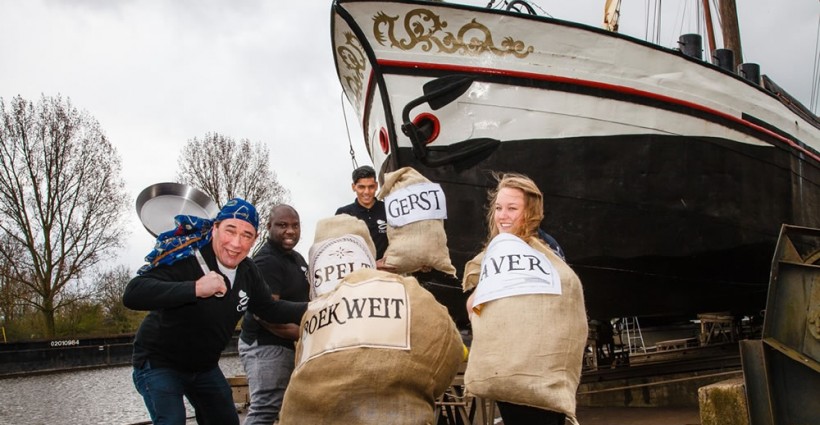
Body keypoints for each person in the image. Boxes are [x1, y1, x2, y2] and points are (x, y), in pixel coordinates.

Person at [123, 198, 307, 425]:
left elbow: (270, 309)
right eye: (230, 231)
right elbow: (133, 293)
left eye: (246, 235)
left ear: (254, 239)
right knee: (172, 419)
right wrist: (195, 288)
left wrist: (318, 307)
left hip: (204, 367)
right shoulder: (187, 257)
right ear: (215, 228)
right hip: (159, 363)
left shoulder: (248, 272)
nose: (236, 244)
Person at [463, 173, 587, 425]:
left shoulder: (544, 247)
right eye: (498, 208)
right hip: (509, 366)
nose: (503, 216)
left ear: (529, 211)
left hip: (538, 371)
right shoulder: (498, 248)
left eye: (512, 209)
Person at [238, 204, 309, 425]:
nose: (290, 231)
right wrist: (302, 334)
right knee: (265, 409)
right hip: (266, 347)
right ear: (269, 227)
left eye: (295, 226)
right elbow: (265, 315)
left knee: (292, 408)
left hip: (289, 345)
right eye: (282, 225)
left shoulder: (296, 258)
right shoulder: (267, 260)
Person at [335, 165, 393, 270]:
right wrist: (373, 264)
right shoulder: (343, 213)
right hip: (358, 274)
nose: (366, 192)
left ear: (376, 186)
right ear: (353, 187)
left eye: (371, 187)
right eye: (361, 187)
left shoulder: (389, 209)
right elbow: (340, 250)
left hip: (387, 272)